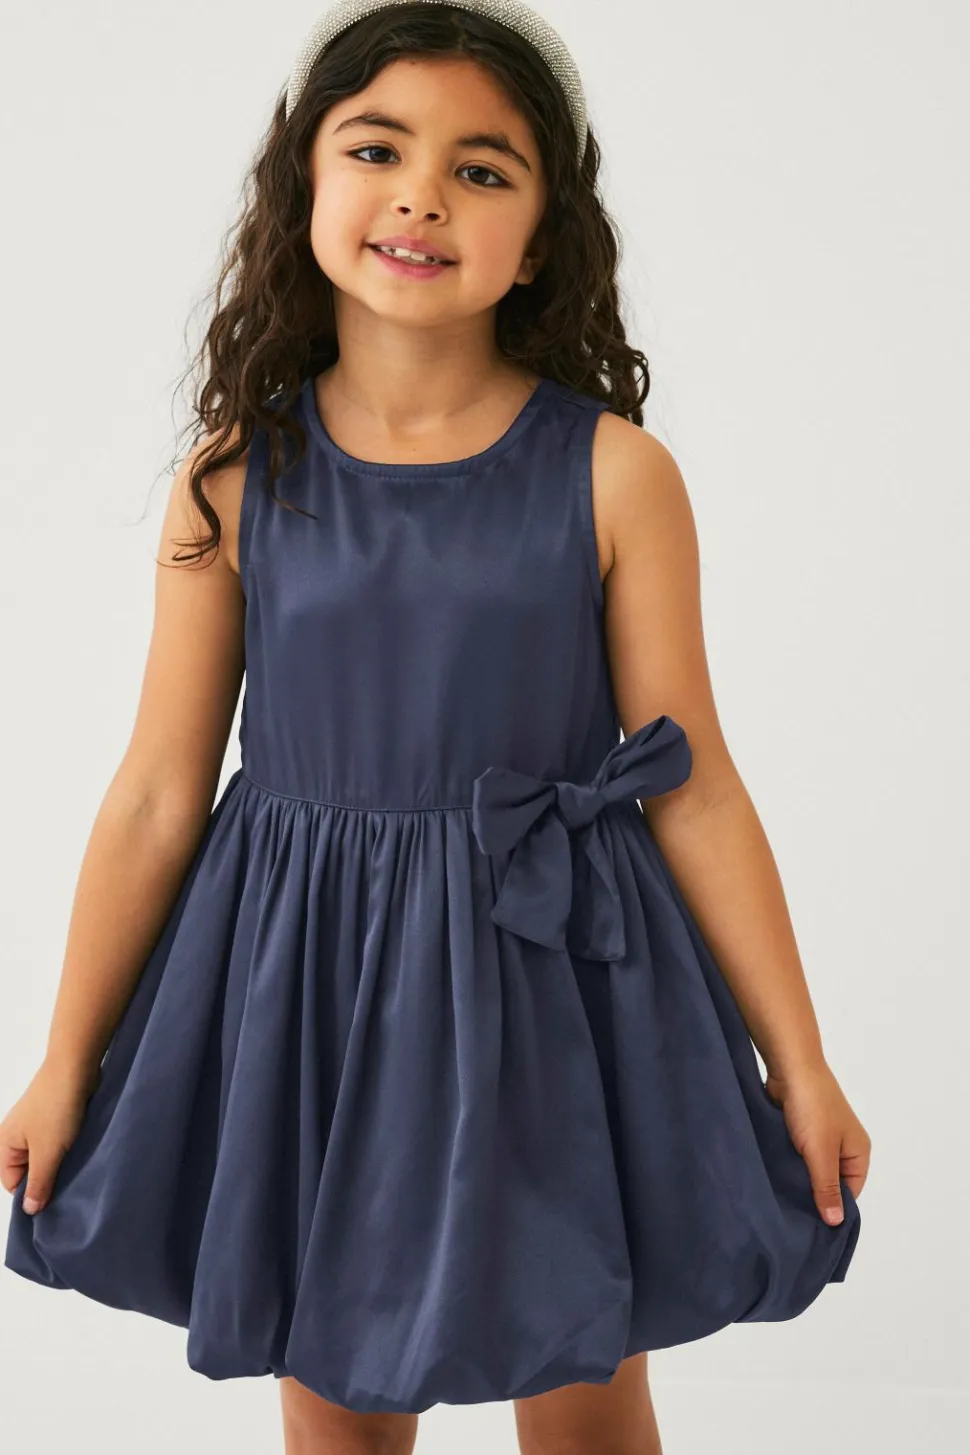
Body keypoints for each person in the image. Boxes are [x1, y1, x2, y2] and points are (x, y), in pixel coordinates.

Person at [0, 1, 869, 1451]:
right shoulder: (234, 478)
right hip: (309, 987)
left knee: (582, 1380)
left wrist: (803, 1060)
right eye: (377, 149)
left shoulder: (616, 475)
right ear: (304, 186)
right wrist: (64, 1056)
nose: (421, 195)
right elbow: (157, 790)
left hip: (556, 986)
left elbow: (694, 785)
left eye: (481, 168)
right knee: (336, 1386)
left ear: (539, 241)